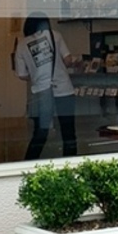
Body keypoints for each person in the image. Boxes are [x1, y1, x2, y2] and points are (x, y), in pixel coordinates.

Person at [14, 11, 77, 159]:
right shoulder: (55, 35)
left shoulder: (22, 45)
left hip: (41, 91)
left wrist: (37, 76)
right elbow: (68, 60)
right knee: (68, 131)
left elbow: (21, 74)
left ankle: (29, 163)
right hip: (63, 89)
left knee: (40, 132)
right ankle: (70, 164)